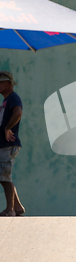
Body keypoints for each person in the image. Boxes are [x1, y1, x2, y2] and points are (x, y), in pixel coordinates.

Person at [0, 71, 25, 216]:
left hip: (9, 144)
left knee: (4, 177)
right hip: (3, 144)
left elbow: (18, 113)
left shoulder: (13, 98)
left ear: (8, 84)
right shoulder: (5, 101)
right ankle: (18, 207)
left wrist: (8, 128)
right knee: (3, 177)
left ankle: (10, 210)